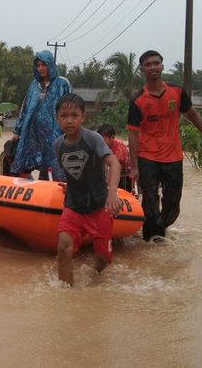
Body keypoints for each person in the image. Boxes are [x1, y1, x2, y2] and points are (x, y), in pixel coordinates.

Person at [127, 50, 202, 241]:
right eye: (148, 64)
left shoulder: (177, 92)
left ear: (162, 66)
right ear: (142, 70)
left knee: (172, 204)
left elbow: (193, 115)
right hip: (147, 157)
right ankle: (152, 244)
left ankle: (159, 229)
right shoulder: (137, 100)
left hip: (173, 157)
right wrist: (134, 166)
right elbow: (132, 133)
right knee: (150, 202)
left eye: (156, 63)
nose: (153, 67)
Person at [53, 93, 121, 286]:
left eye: (74, 115)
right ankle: (66, 296)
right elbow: (72, 172)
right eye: (64, 116)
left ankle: (94, 277)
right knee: (63, 248)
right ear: (57, 118)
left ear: (83, 117)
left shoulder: (93, 139)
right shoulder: (57, 145)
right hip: (73, 207)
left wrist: (113, 192)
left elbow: (114, 163)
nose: (69, 120)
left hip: (99, 207)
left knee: (102, 259)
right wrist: (71, 184)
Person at [11, 50, 72, 180]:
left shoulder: (63, 84)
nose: (40, 68)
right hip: (34, 134)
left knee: (57, 166)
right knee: (31, 163)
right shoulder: (34, 85)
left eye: (43, 65)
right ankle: (39, 190)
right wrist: (17, 130)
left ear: (50, 64)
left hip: (55, 134)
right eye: (38, 65)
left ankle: (63, 191)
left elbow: (72, 109)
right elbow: (25, 108)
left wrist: (70, 131)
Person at [97, 124, 133, 192]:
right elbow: (104, 162)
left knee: (123, 195)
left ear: (112, 137)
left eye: (104, 139)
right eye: (100, 139)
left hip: (124, 176)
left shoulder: (118, 147)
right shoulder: (105, 146)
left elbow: (114, 166)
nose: (101, 142)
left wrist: (108, 181)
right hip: (117, 173)